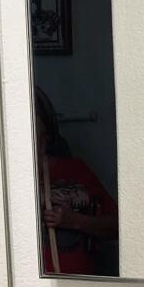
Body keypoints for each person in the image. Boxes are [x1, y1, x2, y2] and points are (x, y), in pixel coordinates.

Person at [34, 85, 120, 275]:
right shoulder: (2, 184)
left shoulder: (76, 170)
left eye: (33, 116)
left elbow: (117, 226)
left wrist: (73, 220)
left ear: (46, 130)